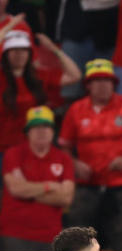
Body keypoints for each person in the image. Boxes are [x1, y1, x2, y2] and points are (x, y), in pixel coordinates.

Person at [59, 59, 122, 251]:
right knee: (77, 239)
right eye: (97, 80)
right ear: (88, 85)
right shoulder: (76, 110)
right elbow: (63, 148)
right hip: (87, 186)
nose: (103, 85)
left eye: (107, 80)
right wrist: (75, 163)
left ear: (114, 84)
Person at [0, 106, 75, 251]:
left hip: (51, 236)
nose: (41, 131)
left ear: (53, 131)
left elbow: (66, 198)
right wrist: (50, 186)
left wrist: (28, 191)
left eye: (46, 126)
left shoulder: (64, 159)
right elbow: (16, 189)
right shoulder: (13, 154)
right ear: (27, 132)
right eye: (35, 127)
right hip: (14, 234)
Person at [0, 26, 80, 156]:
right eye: (14, 50)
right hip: (4, 148)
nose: (19, 54)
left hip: (35, 148)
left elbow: (74, 75)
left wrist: (54, 49)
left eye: (23, 50)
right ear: (6, 54)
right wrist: (7, 29)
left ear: (29, 53)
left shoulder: (39, 76)